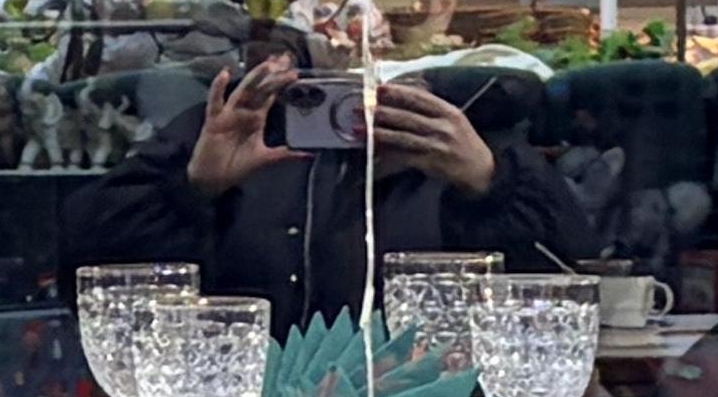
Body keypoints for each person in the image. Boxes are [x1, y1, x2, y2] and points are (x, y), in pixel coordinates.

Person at [61, 28, 595, 321]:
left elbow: (567, 296)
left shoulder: (473, 144)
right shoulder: (238, 128)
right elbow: (94, 288)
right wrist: (191, 190)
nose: (365, 99)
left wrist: (488, 183)